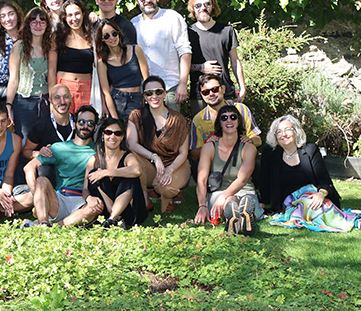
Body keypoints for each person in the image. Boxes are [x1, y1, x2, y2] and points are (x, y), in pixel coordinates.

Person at [23, 105, 101, 227]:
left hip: (83, 201)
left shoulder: (99, 151)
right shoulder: (59, 148)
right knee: (42, 181)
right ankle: (43, 221)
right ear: (75, 124)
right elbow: (29, 167)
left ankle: (51, 227)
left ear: (95, 127)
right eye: (81, 122)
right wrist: (38, 196)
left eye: (90, 123)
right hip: (59, 200)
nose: (85, 126)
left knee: (95, 208)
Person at [194, 104, 261, 235]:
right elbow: (201, 179)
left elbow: (243, 179)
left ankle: (240, 216)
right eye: (224, 118)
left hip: (244, 191)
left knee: (241, 200)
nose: (229, 120)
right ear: (219, 122)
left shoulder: (248, 148)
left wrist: (224, 197)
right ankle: (242, 217)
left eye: (233, 117)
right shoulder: (210, 147)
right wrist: (202, 206)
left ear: (238, 121)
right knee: (230, 202)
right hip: (219, 192)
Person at [126, 76, 190, 213]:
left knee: (163, 187)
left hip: (176, 164)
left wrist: (170, 169)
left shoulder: (178, 119)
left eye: (158, 92)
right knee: (132, 157)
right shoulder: (136, 116)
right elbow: (131, 144)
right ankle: (145, 197)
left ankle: (167, 194)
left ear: (165, 93)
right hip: (151, 165)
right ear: (144, 96)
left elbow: (184, 153)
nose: (154, 96)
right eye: (149, 93)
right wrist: (154, 157)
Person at [258, 115, 342, 214]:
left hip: (311, 195)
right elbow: (264, 179)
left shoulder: (310, 150)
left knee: (314, 207)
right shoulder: (270, 152)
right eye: (279, 132)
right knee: (306, 209)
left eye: (287, 129)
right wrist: (262, 201)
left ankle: (356, 220)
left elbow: (324, 180)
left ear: (296, 131)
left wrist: (320, 194)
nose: (284, 134)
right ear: (275, 136)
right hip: (288, 201)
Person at [130, 0, 191, 111]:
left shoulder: (172, 17)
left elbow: (185, 51)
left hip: (170, 87)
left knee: (173, 128)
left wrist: (183, 83)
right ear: (136, 0)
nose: (148, 0)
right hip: (144, 91)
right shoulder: (133, 24)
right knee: (148, 130)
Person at [187, 0, 246, 109]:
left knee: (229, 127)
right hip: (199, 96)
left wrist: (242, 87)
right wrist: (201, 67)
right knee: (202, 128)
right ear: (193, 9)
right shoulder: (187, 33)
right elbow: (180, 66)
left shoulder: (227, 31)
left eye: (207, 4)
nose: (203, 8)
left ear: (213, 6)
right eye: (198, 5)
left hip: (226, 93)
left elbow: (235, 61)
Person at [85, 117, 147, 228]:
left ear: (122, 137)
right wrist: (88, 198)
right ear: (103, 135)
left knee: (130, 176)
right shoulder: (94, 160)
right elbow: (85, 189)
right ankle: (113, 219)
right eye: (108, 132)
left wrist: (106, 172)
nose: (112, 137)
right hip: (106, 209)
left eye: (117, 133)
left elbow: (137, 170)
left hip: (130, 212)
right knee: (94, 173)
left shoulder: (128, 156)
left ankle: (111, 220)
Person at [188, 73, 261, 162]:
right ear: (202, 95)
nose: (211, 94)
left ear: (223, 89)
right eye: (206, 92)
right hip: (213, 164)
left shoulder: (241, 109)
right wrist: (209, 146)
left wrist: (250, 141)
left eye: (215, 89)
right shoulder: (198, 120)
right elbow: (194, 155)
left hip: (241, 160)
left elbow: (258, 139)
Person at [6, 8, 52, 141]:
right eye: (34, 21)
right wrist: (9, 105)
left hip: (46, 102)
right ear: (28, 24)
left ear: (47, 25)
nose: (38, 25)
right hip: (24, 103)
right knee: (24, 142)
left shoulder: (50, 47)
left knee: (45, 142)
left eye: (42, 21)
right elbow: (13, 79)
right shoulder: (19, 47)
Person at [96, 17, 149, 122]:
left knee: (138, 135)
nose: (112, 38)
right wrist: (115, 119)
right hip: (117, 102)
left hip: (137, 99)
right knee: (120, 136)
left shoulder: (135, 50)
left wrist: (147, 100)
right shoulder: (102, 63)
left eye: (114, 33)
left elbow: (147, 79)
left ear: (119, 33)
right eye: (107, 36)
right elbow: (106, 93)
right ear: (102, 39)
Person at [48, 0, 95, 112]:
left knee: (85, 126)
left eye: (77, 14)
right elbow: (51, 70)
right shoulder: (57, 37)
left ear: (83, 14)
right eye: (70, 15)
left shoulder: (92, 37)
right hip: (62, 90)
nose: (74, 19)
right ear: (64, 17)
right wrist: (52, 97)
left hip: (87, 90)